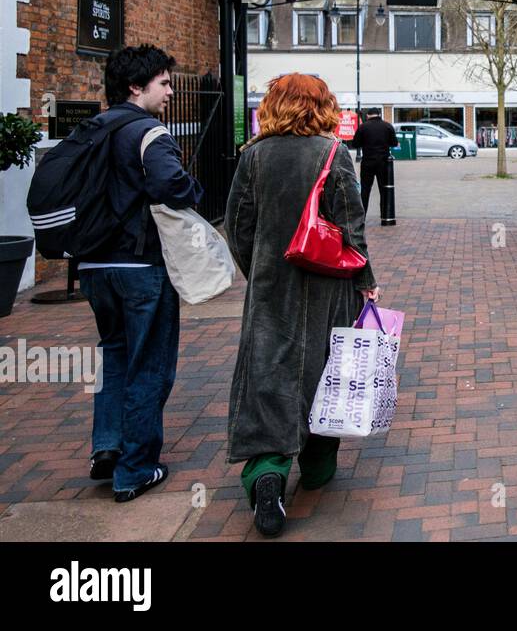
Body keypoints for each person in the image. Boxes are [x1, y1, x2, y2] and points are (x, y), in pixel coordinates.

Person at [224, 73, 381, 537]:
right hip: (328, 287)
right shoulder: (333, 153)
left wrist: (262, 273)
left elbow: (238, 227)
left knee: (268, 372)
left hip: (273, 287)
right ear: (323, 107)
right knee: (325, 370)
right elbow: (352, 226)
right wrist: (365, 281)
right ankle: (316, 466)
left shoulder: (252, 156)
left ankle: (266, 471)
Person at [79, 45, 203, 502]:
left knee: (114, 357)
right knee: (149, 365)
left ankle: (107, 447)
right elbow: (172, 185)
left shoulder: (92, 129)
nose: (170, 91)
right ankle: (135, 468)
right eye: (164, 83)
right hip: (140, 266)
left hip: (93, 267)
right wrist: (195, 190)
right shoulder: (148, 132)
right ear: (137, 86)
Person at [350, 107, 396, 215]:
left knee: (365, 190)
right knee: (384, 190)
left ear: (368, 115)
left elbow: (355, 144)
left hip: (368, 162)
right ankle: (385, 216)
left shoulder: (363, 127)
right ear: (379, 114)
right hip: (384, 162)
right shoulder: (387, 126)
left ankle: (362, 216)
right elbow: (394, 143)